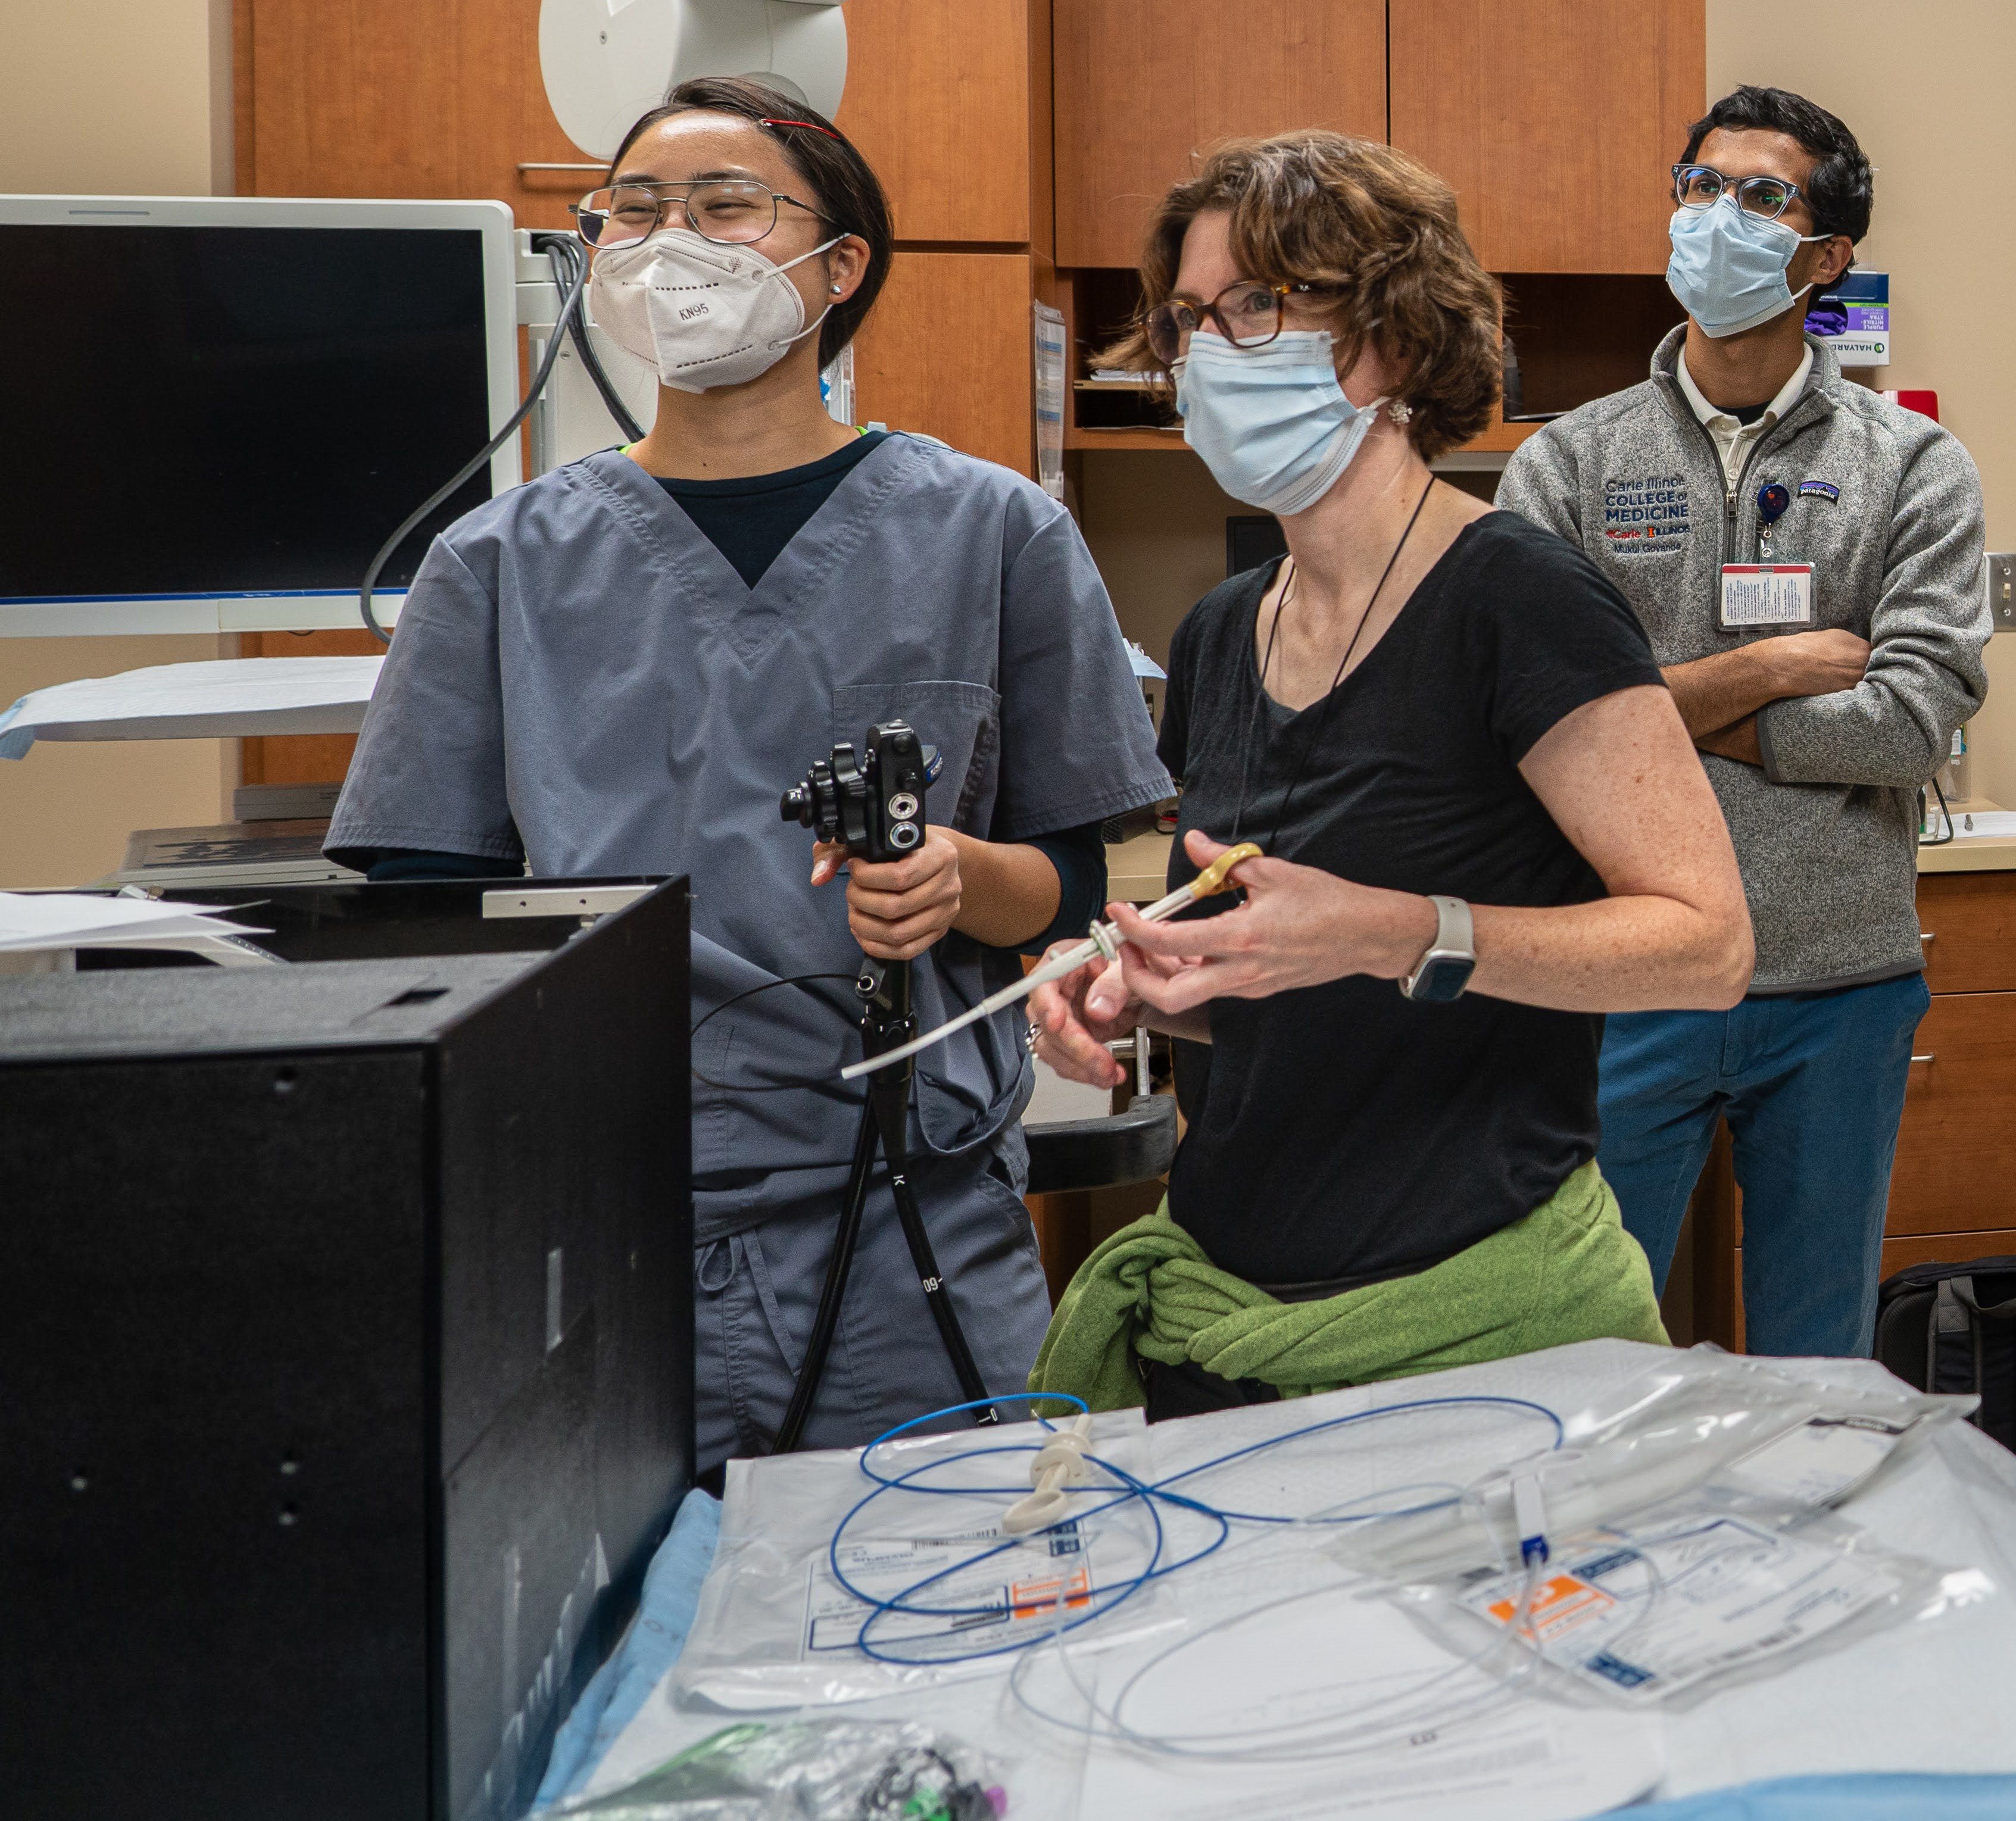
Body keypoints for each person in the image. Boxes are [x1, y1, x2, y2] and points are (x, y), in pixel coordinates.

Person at [326, 76, 1172, 1480]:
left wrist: (963, 879)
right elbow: (427, 916)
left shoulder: (995, 535)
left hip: (911, 1232)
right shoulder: (498, 566)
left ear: (838, 268)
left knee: (947, 1628)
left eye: (725, 208)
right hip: (593, 1237)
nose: (674, 244)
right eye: (634, 213)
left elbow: (1067, 882)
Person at [1022, 132, 1752, 1420]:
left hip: (1472, 1323)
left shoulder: (1518, 601)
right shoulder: (1216, 633)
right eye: (1189, 318)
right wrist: (1155, 991)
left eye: (1260, 302)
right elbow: (1287, 983)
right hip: (1233, 1317)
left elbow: (1702, 946)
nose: (1209, 348)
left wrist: (1391, 932)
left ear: (1396, 339)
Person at [1496, 85, 1990, 1355]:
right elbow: (1534, 729)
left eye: (1759, 196)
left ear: (1825, 257)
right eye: (1697, 185)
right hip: (1621, 975)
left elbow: (1907, 725)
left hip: (1837, 981)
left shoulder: (1913, 469)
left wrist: (1645, 709)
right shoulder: (1567, 465)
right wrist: (1769, 672)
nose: (1715, 216)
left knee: (1812, 1353)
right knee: (1581, 1345)